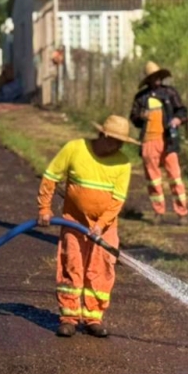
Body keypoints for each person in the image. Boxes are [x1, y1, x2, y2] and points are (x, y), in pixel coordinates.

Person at [37, 115, 137, 339]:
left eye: (121, 143)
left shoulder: (123, 163)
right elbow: (51, 177)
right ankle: (69, 317)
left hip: (106, 226)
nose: (118, 146)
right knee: (72, 264)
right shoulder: (75, 149)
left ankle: (93, 317)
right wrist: (44, 208)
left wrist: (100, 225)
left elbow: (117, 200)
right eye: (114, 141)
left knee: (102, 268)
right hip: (74, 221)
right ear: (102, 135)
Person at [129, 61, 188, 225]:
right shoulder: (141, 97)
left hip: (168, 141)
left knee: (175, 177)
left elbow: (182, 111)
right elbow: (133, 118)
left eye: (158, 76)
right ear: (148, 79)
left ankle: (182, 212)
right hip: (148, 141)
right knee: (153, 179)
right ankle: (158, 212)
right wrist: (141, 116)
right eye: (153, 77)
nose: (156, 79)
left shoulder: (170, 93)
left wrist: (177, 119)